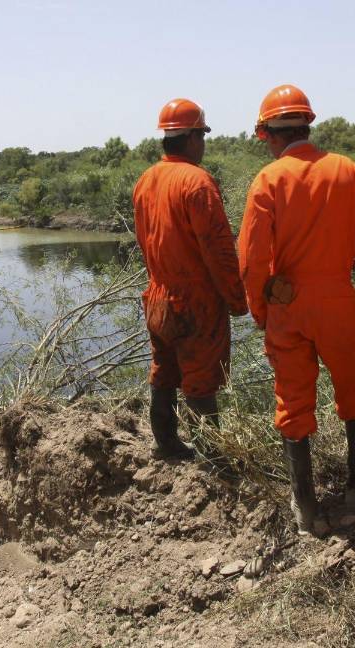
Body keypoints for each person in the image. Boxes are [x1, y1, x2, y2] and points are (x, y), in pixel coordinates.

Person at [237, 84, 355, 535]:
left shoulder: (268, 180)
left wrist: (261, 310)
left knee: (293, 402)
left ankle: (306, 506)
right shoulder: (348, 171)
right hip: (341, 300)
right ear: (306, 126)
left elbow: (252, 259)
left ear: (271, 135)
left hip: (289, 305)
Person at [133, 98, 248, 458]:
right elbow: (218, 250)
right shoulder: (197, 182)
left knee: (164, 368)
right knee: (200, 379)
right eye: (203, 136)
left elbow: (143, 240)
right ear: (195, 137)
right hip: (195, 301)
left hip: (157, 295)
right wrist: (237, 299)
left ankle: (166, 443)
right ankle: (214, 459)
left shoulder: (146, 180)